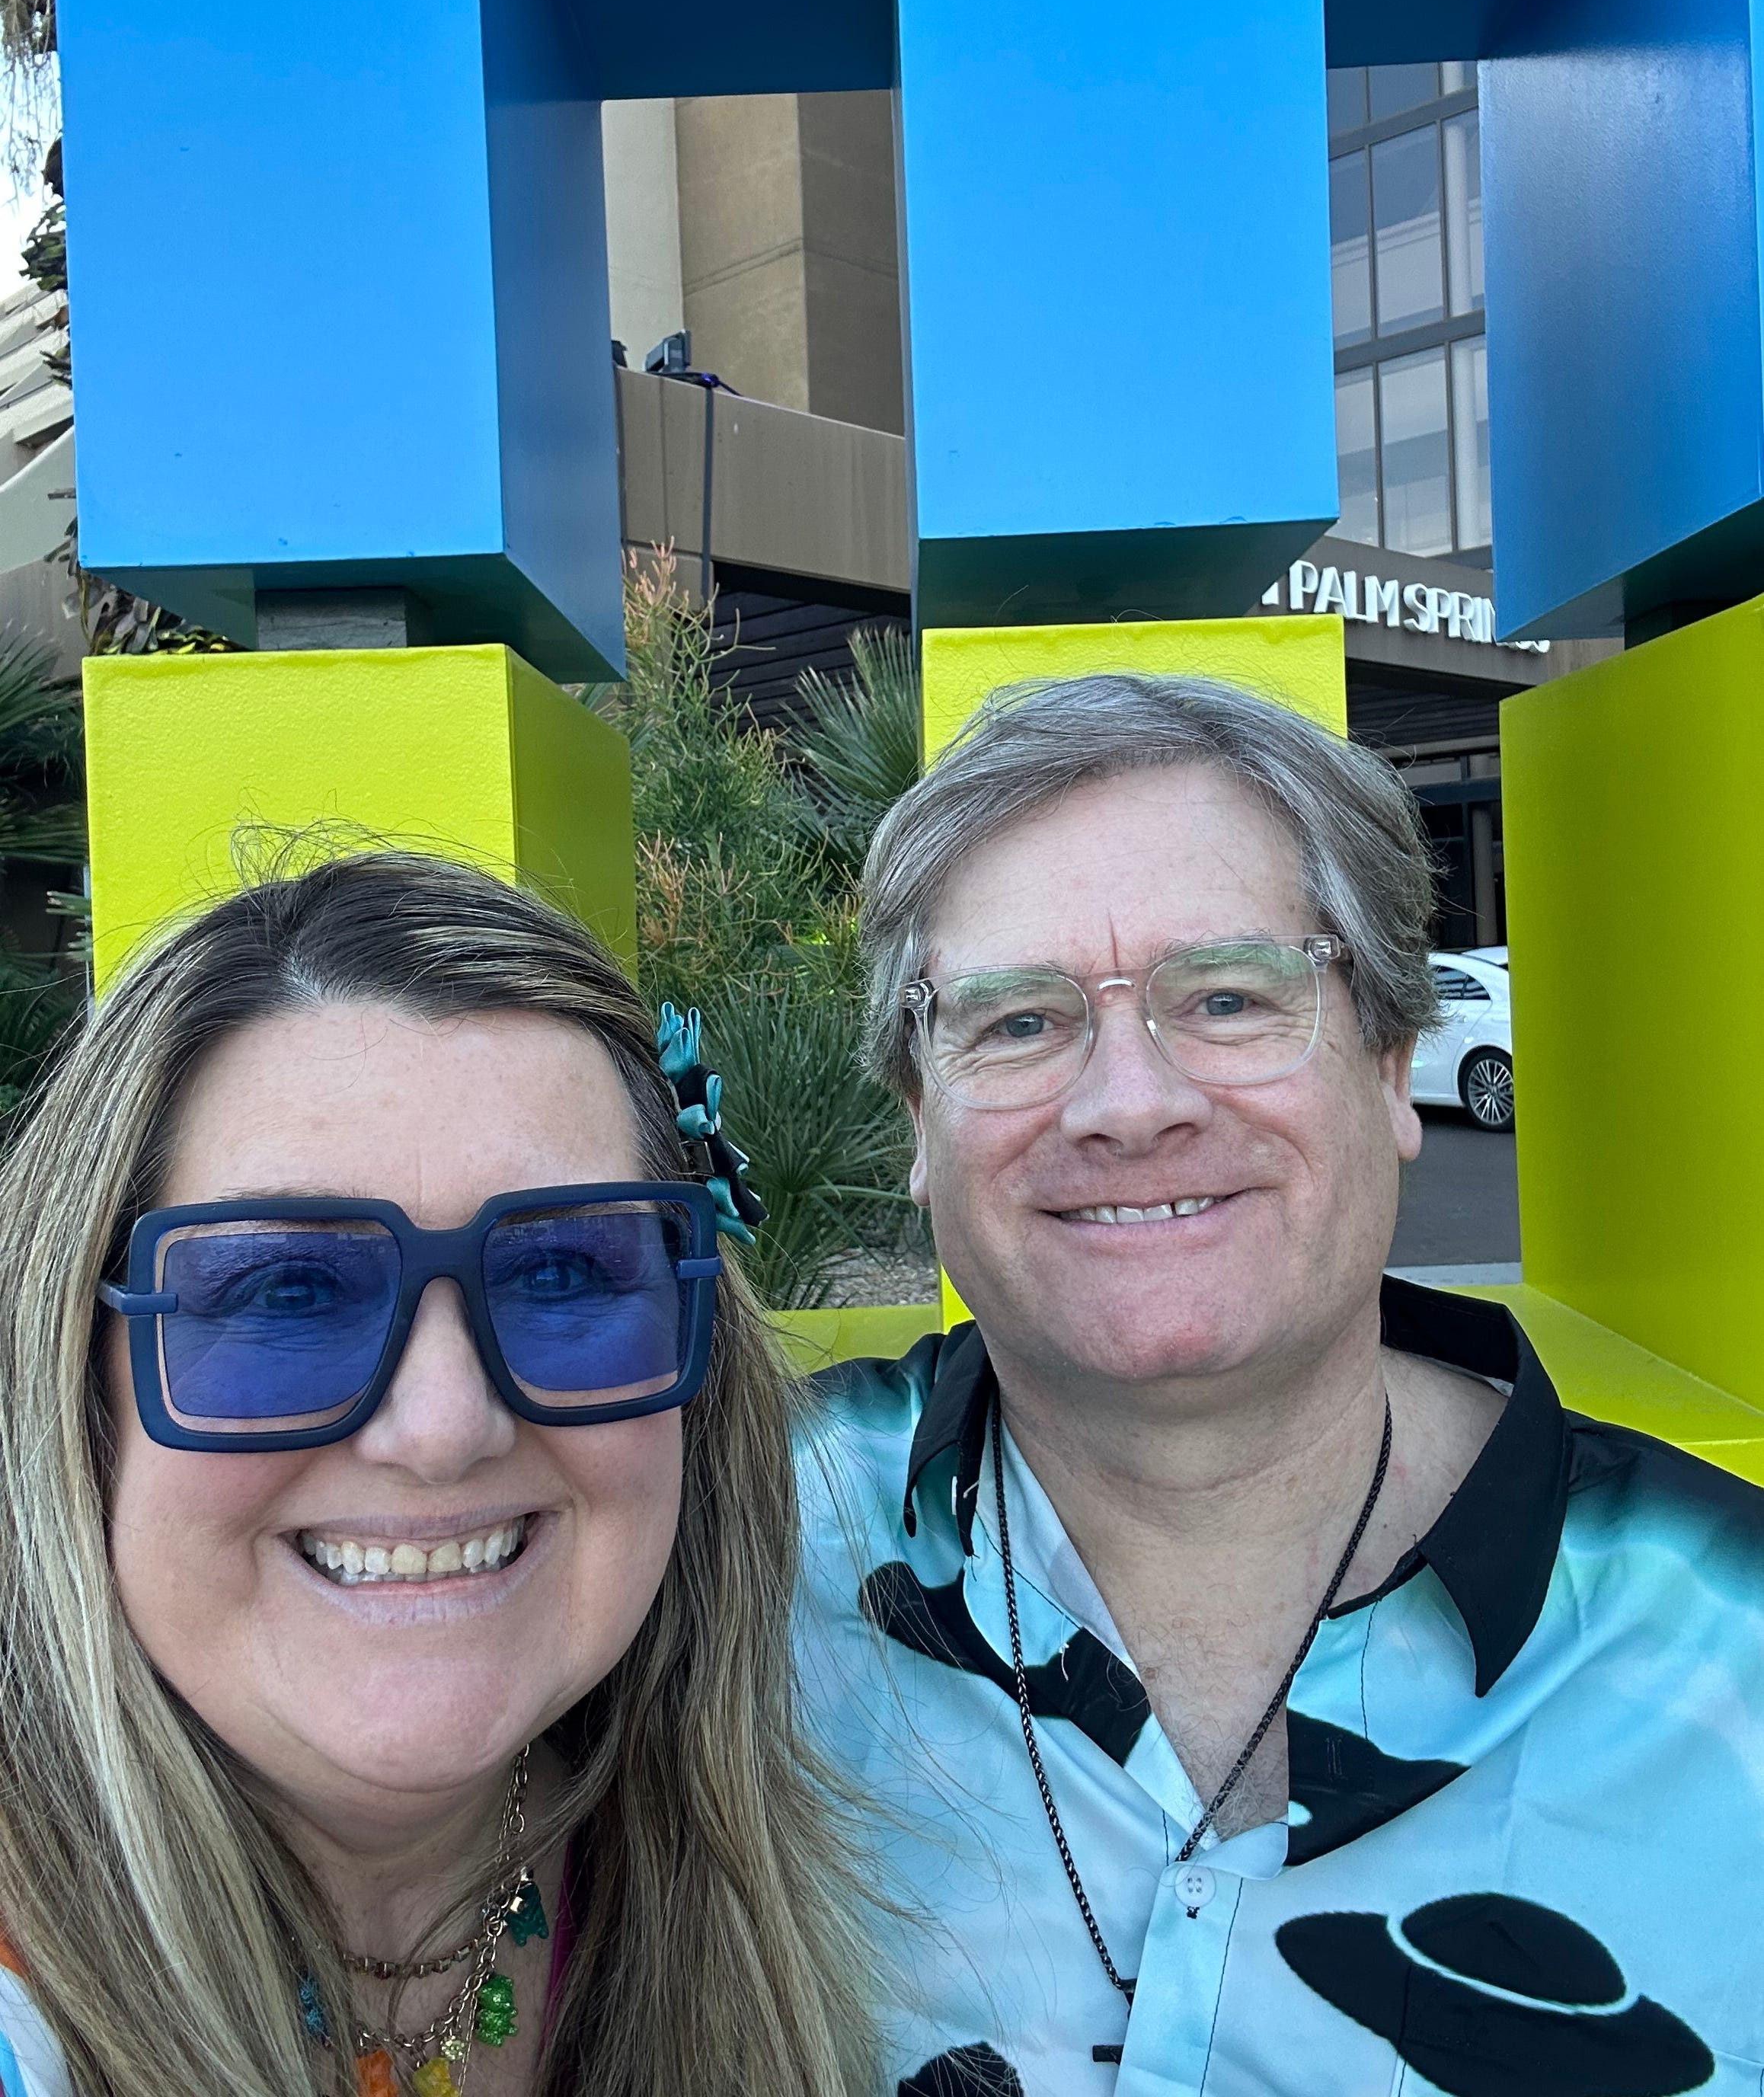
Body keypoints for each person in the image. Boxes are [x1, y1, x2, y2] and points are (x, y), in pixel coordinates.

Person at [794, 672, 1764, 2096]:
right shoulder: (721, 1562)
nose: (1129, 1105)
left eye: (1229, 998)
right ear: (918, 1124)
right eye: (1017, 1024)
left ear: (1390, 1062)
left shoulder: (1733, 1636)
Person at [0, 852, 874, 2097]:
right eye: (287, 1290)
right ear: (78, 1387)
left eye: (562, 1273)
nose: (444, 1426)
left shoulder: (754, 1900)